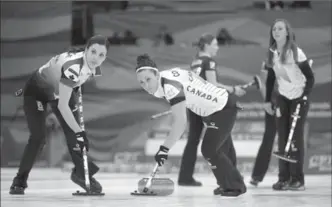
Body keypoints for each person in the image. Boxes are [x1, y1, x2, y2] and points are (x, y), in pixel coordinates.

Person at [9, 35, 110, 195]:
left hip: (60, 91)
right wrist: (79, 132)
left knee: (74, 132)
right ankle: (19, 181)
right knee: (39, 137)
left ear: (105, 58)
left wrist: (77, 132)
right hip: (37, 92)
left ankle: (81, 174)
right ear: (86, 50)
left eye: (101, 55)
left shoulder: (94, 67)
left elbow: (71, 85)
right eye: (93, 52)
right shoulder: (73, 67)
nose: (96, 58)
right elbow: (63, 106)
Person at [134, 54, 247, 197]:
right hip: (209, 111)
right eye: (141, 82)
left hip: (223, 108)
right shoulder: (166, 77)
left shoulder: (170, 86)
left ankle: (236, 186)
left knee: (209, 149)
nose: (146, 85)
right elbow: (192, 78)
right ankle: (226, 185)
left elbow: (180, 124)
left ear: (156, 74)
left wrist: (164, 149)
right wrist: (192, 97)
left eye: (148, 79)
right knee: (220, 149)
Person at [178, 34, 246, 187]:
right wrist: (233, 89)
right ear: (207, 45)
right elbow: (213, 84)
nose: (217, 47)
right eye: (215, 44)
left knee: (193, 140)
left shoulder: (195, 61)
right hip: (207, 105)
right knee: (224, 139)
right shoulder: (209, 61)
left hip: (194, 103)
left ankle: (185, 177)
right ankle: (231, 178)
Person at [264, 19, 314, 190]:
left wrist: (305, 96)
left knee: (295, 139)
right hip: (282, 97)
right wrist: (267, 101)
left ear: (287, 32)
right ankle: (283, 179)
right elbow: (271, 77)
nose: (276, 31)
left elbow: (310, 77)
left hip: (299, 98)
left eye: (280, 28)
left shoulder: (296, 52)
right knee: (282, 138)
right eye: (274, 29)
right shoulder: (272, 52)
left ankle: (298, 179)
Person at [241, 63, 278, 187]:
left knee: (286, 140)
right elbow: (263, 83)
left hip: (286, 101)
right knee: (269, 139)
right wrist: (268, 102)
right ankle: (257, 176)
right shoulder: (269, 61)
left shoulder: (293, 56)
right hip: (273, 104)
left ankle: (289, 177)